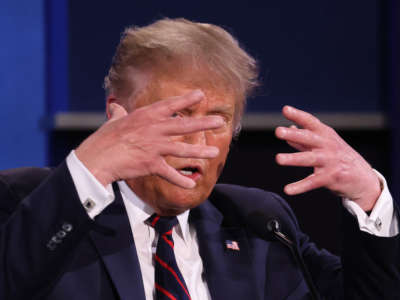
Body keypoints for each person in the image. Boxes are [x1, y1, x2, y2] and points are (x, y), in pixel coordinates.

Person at [0, 18, 399, 300]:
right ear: (117, 116)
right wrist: (91, 169)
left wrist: (369, 196)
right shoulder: (28, 203)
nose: (200, 141)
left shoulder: (259, 223)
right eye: (178, 116)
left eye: (219, 120)